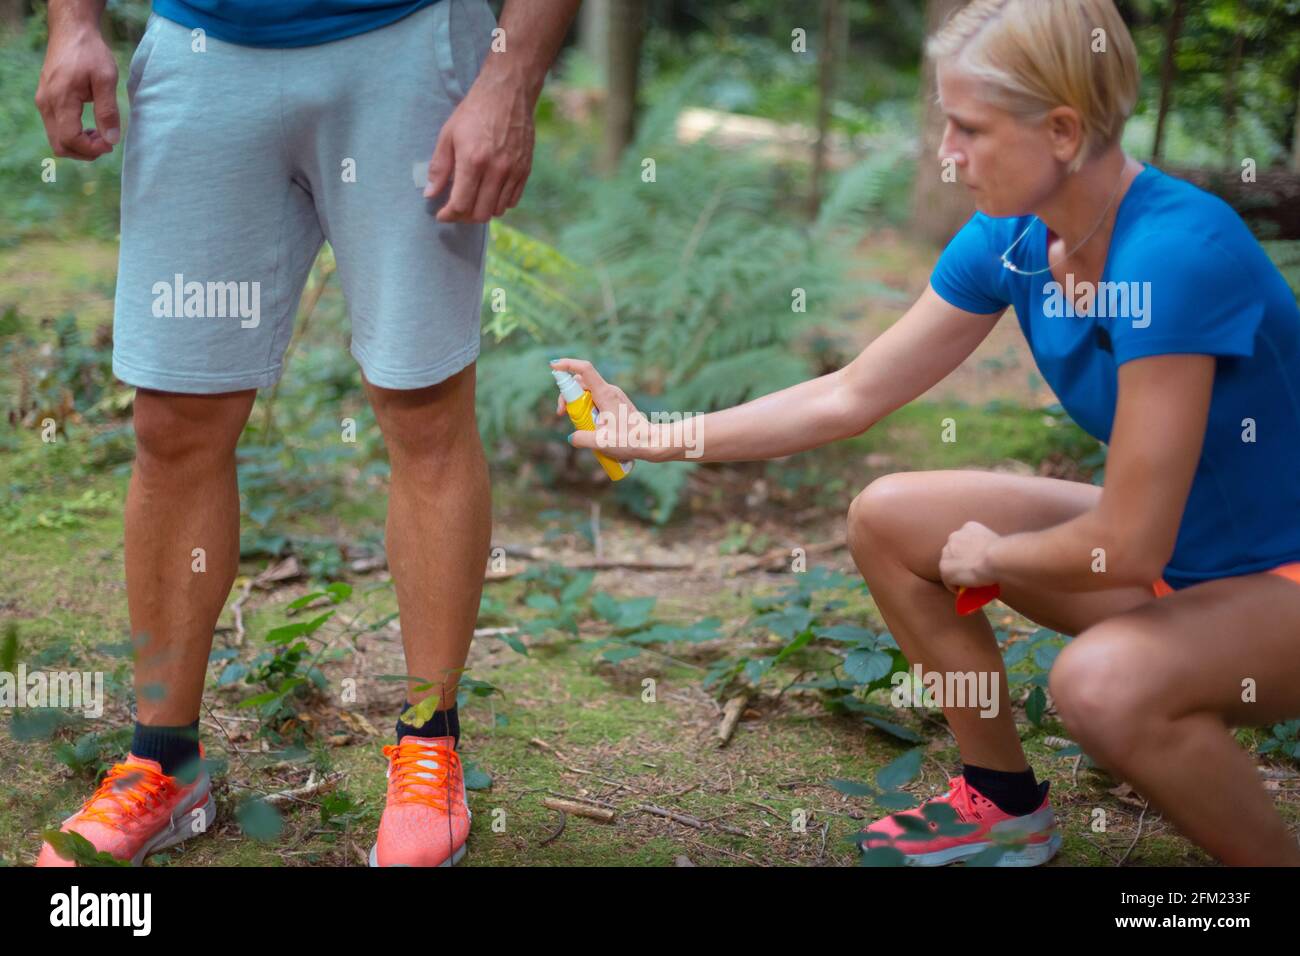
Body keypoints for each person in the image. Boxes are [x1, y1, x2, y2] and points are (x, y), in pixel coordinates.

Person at [552, 0, 1300, 866]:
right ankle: (1002, 805)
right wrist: (660, 433)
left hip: (1273, 577)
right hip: (1183, 562)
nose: (944, 154)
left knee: (1101, 686)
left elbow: (1127, 544)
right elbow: (850, 394)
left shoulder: (1171, 254)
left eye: (967, 128)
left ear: (1061, 130)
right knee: (891, 515)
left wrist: (997, 558)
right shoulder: (1015, 239)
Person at [34, 0, 579, 867]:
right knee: (174, 420)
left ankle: (429, 750)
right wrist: (74, 22)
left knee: (424, 402)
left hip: (407, 45)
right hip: (203, 52)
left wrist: (510, 73)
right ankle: (164, 764)